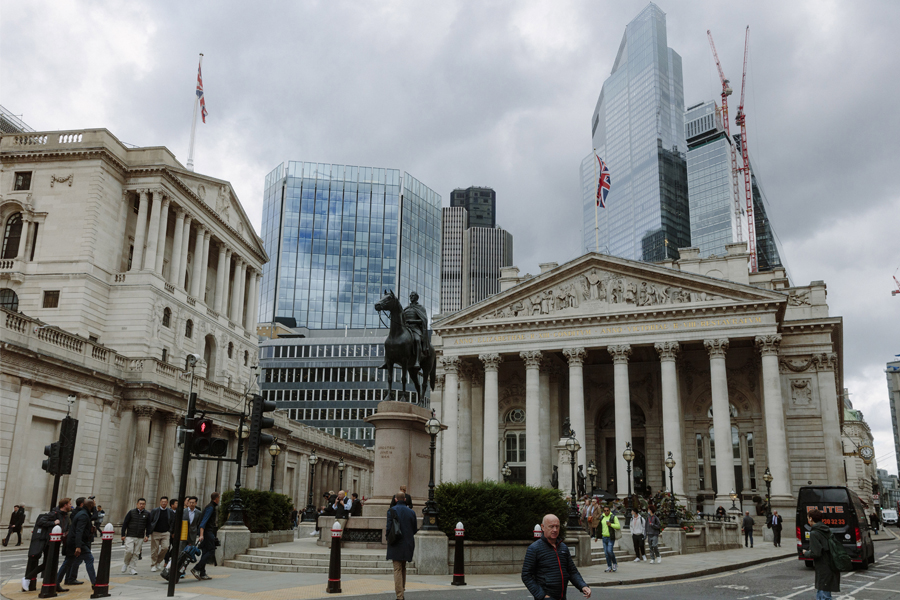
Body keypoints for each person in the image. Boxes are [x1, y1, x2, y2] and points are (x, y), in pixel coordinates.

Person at [521, 513, 591, 600]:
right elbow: (526, 575)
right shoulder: (534, 548)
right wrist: (542, 596)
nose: (555, 529)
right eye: (551, 526)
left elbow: (572, 571)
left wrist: (583, 586)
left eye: (557, 526)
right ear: (543, 527)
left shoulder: (563, 547)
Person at [24, 498, 71, 592]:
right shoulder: (54, 513)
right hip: (49, 543)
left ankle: (53, 585)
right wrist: (53, 523)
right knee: (48, 563)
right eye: (70, 504)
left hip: (57, 542)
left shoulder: (65, 516)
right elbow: (40, 521)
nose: (71, 505)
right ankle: (27, 578)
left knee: (52, 564)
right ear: (65, 505)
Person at [385, 492, 417, 600]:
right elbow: (414, 529)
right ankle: (402, 590)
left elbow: (388, 528)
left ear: (395, 499)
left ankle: (399, 596)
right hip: (407, 543)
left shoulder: (391, 510)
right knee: (403, 567)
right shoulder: (411, 512)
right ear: (405, 500)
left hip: (396, 542)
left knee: (397, 569)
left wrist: (388, 539)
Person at [802, 509, 840, 599]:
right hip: (831, 564)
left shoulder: (814, 533)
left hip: (823, 567)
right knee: (822, 591)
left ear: (811, 519)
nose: (807, 520)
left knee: (824, 594)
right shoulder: (826, 530)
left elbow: (816, 553)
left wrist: (806, 553)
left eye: (808, 518)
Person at [66, 499, 98, 591]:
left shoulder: (82, 513)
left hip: (77, 541)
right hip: (78, 542)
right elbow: (79, 531)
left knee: (70, 561)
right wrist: (78, 546)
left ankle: (61, 581)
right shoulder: (83, 514)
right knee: (89, 559)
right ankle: (95, 583)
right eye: (94, 505)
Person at [191, 492, 219, 580]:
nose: (219, 500)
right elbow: (203, 522)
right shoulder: (210, 508)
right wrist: (201, 535)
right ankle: (197, 568)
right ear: (216, 499)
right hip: (207, 532)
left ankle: (202, 573)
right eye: (219, 498)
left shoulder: (210, 507)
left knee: (205, 552)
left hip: (206, 532)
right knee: (211, 551)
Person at [120, 498, 150, 575]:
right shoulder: (131, 512)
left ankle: (132, 568)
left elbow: (148, 525)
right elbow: (125, 523)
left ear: (145, 505)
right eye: (140, 503)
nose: (141, 505)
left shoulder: (147, 514)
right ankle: (126, 563)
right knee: (129, 551)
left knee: (136, 553)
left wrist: (147, 535)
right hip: (130, 535)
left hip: (140, 536)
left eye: (143, 504)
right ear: (137, 504)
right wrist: (123, 534)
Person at [401, 292, 428, 369]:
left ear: (416, 297)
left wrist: (412, 321)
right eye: (410, 296)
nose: (411, 297)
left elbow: (423, 320)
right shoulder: (406, 308)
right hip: (406, 328)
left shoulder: (420, 308)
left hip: (415, 328)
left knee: (417, 340)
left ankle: (417, 360)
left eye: (413, 296)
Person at [148, 496, 174, 572]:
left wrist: (170, 531)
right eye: (162, 501)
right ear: (160, 502)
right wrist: (149, 531)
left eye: (165, 502)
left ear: (167, 503)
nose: (163, 503)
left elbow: (172, 522)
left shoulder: (170, 512)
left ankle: (158, 561)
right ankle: (153, 565)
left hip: (166, 532)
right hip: (156, 532)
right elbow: (151, 521)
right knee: (154, 550)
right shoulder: (155, 511)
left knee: (165, 548)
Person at [599, 505, 620, 572]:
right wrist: (597, 536)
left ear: (610, 511)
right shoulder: (602, 517)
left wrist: (611, 524)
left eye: (607, 510)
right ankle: (609, 566)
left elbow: (618, 526)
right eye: (604, 510)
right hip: (604, 537)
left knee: (610, 551)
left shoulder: (613, 517)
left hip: (611, 537)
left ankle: (614, 563)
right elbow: (599, 527)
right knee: (606, 553)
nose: (606, 512)